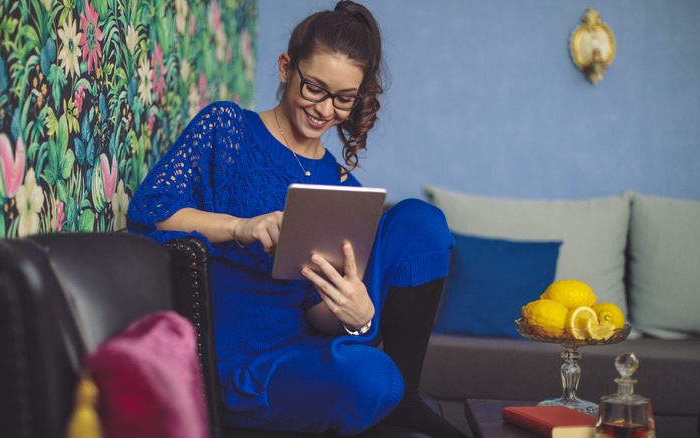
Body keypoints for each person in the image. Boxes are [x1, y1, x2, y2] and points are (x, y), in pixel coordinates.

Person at [127, 2, 468, 437]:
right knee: (373, 378)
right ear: (287, 68)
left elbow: (316, 311)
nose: (325, 110)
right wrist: (239, 226)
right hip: (242, 358)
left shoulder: (341, 186)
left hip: (309, 345)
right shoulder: (227, 129)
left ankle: (406, 396)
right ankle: (384, 394)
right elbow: (150, 212)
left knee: (422, 222)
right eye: (314, 88)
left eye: (344, 98)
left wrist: (355, 315)